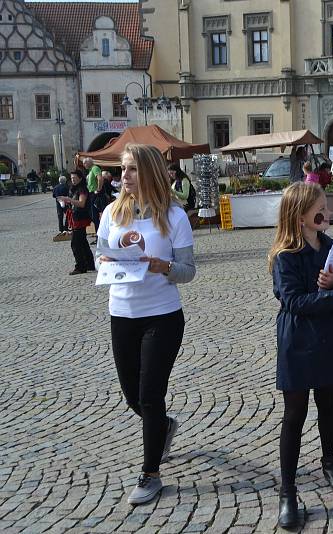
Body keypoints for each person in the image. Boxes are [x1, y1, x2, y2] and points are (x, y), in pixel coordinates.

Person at [96, 144, 196, 505]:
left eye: (132, 169)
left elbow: (188, 271)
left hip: (162, 315)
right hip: (122, 314)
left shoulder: (174, 217)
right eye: (123, 169)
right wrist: (105, 260)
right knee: (133, 397)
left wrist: (163, 266)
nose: (124, 176)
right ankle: (164, 427)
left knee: (150, 395)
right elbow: (99, 258)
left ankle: (150, 473)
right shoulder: (111, 212)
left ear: (150, 172)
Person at [268, 182, 333, 528]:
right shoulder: (285, 256)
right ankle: (288, 491)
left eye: (327, 206)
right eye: (319, 208)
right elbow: (292, 302)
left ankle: (329, 462)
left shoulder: (332, 246)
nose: (327, 213)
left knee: (328, 402)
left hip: (329, 336)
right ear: (300, 216)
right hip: (298, 340)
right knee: (295, 413)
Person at [56, 170, 94, 274]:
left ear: (80, 178)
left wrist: (68, 199)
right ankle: (89, 264)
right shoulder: (74, 189)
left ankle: (80, 267)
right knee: (83, 242)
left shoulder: (82, 189)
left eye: (74, 178)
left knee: (76, 243)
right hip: (76, 216)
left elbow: (82, 203)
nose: (72, 180)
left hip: (80, 218)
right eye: (71, 178)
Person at [83, 156, 102, 231]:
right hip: (91, 194)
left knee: (94, 215)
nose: (84, 165)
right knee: (93, 216)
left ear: (89, 162)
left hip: (94, 194)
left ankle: (99, 234)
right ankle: (98, 233)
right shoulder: (91, 170)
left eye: (85, 163)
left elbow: (100, 178)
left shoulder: (95, 168)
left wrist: (98, 189)